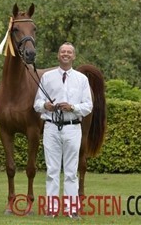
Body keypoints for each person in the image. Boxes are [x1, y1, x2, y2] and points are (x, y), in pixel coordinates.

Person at [33, 42, 93, 220]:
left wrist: (72, 107)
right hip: (51, 126)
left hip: (73, 127)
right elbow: (36, 104)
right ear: (58, 56)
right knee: (52, 170)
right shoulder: (47, 77)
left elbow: (88, 106)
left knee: (71, 171)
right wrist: (46, 105)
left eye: (69, 52)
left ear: (74, 56)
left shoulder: (82, 79)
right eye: (62, 52)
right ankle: (51, 209)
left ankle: (71, 209)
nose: (65, 54)